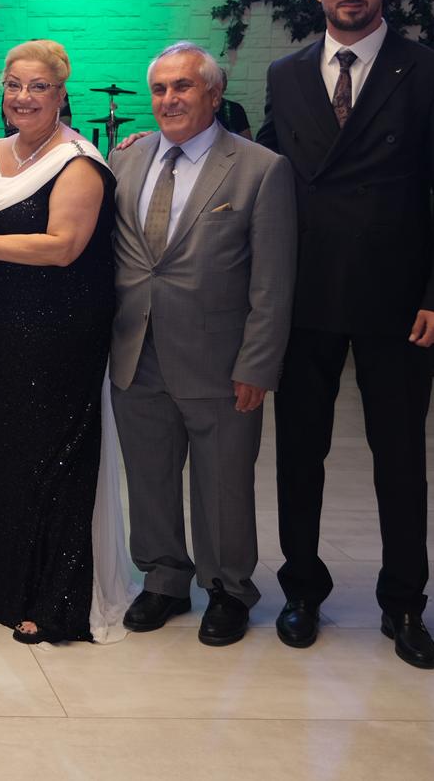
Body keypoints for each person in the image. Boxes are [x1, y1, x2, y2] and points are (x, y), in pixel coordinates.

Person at [257, 0, 434, 669]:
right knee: (299, 454)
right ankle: (302, 589)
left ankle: (404, 601)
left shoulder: (432, 72)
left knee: (400, 457)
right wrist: (163, 148)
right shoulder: (286, 73)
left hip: (399, 299)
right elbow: (263, 167)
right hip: (306, 292)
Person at [0, 39, 129, 644]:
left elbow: (63, 246)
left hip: (57, 330)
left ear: (61, 94)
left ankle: (51, 595)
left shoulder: (79, 163)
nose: (23, 97)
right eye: (14, 85)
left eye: (38, 86)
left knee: (48, 456)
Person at [108, 42, 296, 648]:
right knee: (149, 476)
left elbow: (273, 281)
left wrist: (258, 365)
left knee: (223, 484)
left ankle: (228, 589)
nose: (169, 99)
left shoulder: (260, 168)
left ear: (214, 94)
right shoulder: (124, 159)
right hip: (136, 351)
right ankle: (163, 579)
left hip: (221, 360)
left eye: (183, 86)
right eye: (160, 89)